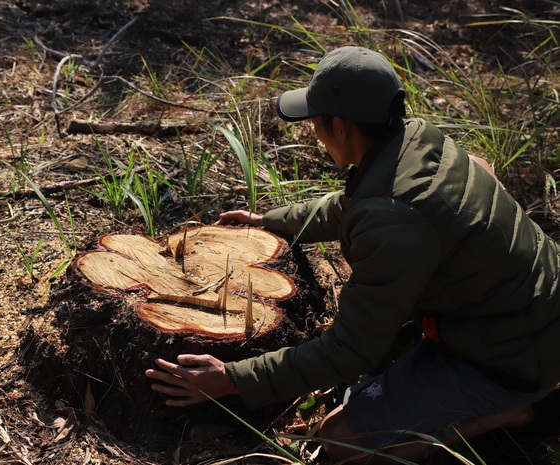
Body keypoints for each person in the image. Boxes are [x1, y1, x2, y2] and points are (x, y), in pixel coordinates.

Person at [145, 46, 560, 463]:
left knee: (340, 441)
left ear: (341, 127)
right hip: (530, 309)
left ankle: (512, 413)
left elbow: (351, 350)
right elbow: (354, 204)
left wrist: (233, 378)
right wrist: (271, 220)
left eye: (315, 123)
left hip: (516, 358)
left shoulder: (395, 219)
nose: (314, 133)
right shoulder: (414, 139)